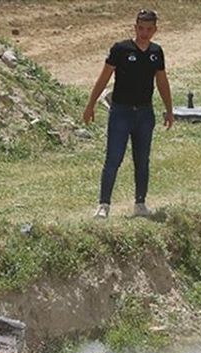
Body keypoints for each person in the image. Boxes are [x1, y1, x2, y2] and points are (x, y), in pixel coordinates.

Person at [82, 8, 174, 219]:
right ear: (135, 28)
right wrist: (90, 104)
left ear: (155, 30)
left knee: (142, 160)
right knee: (113, 159)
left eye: (148, 29)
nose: (144, 33)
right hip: (121, 112)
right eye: (141, 28)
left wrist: (169, 109)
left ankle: (140, 204)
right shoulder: (121, 49)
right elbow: (104, 77)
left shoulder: (156, 52)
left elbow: (162, 81)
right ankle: (104, 205)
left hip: (144, 113)